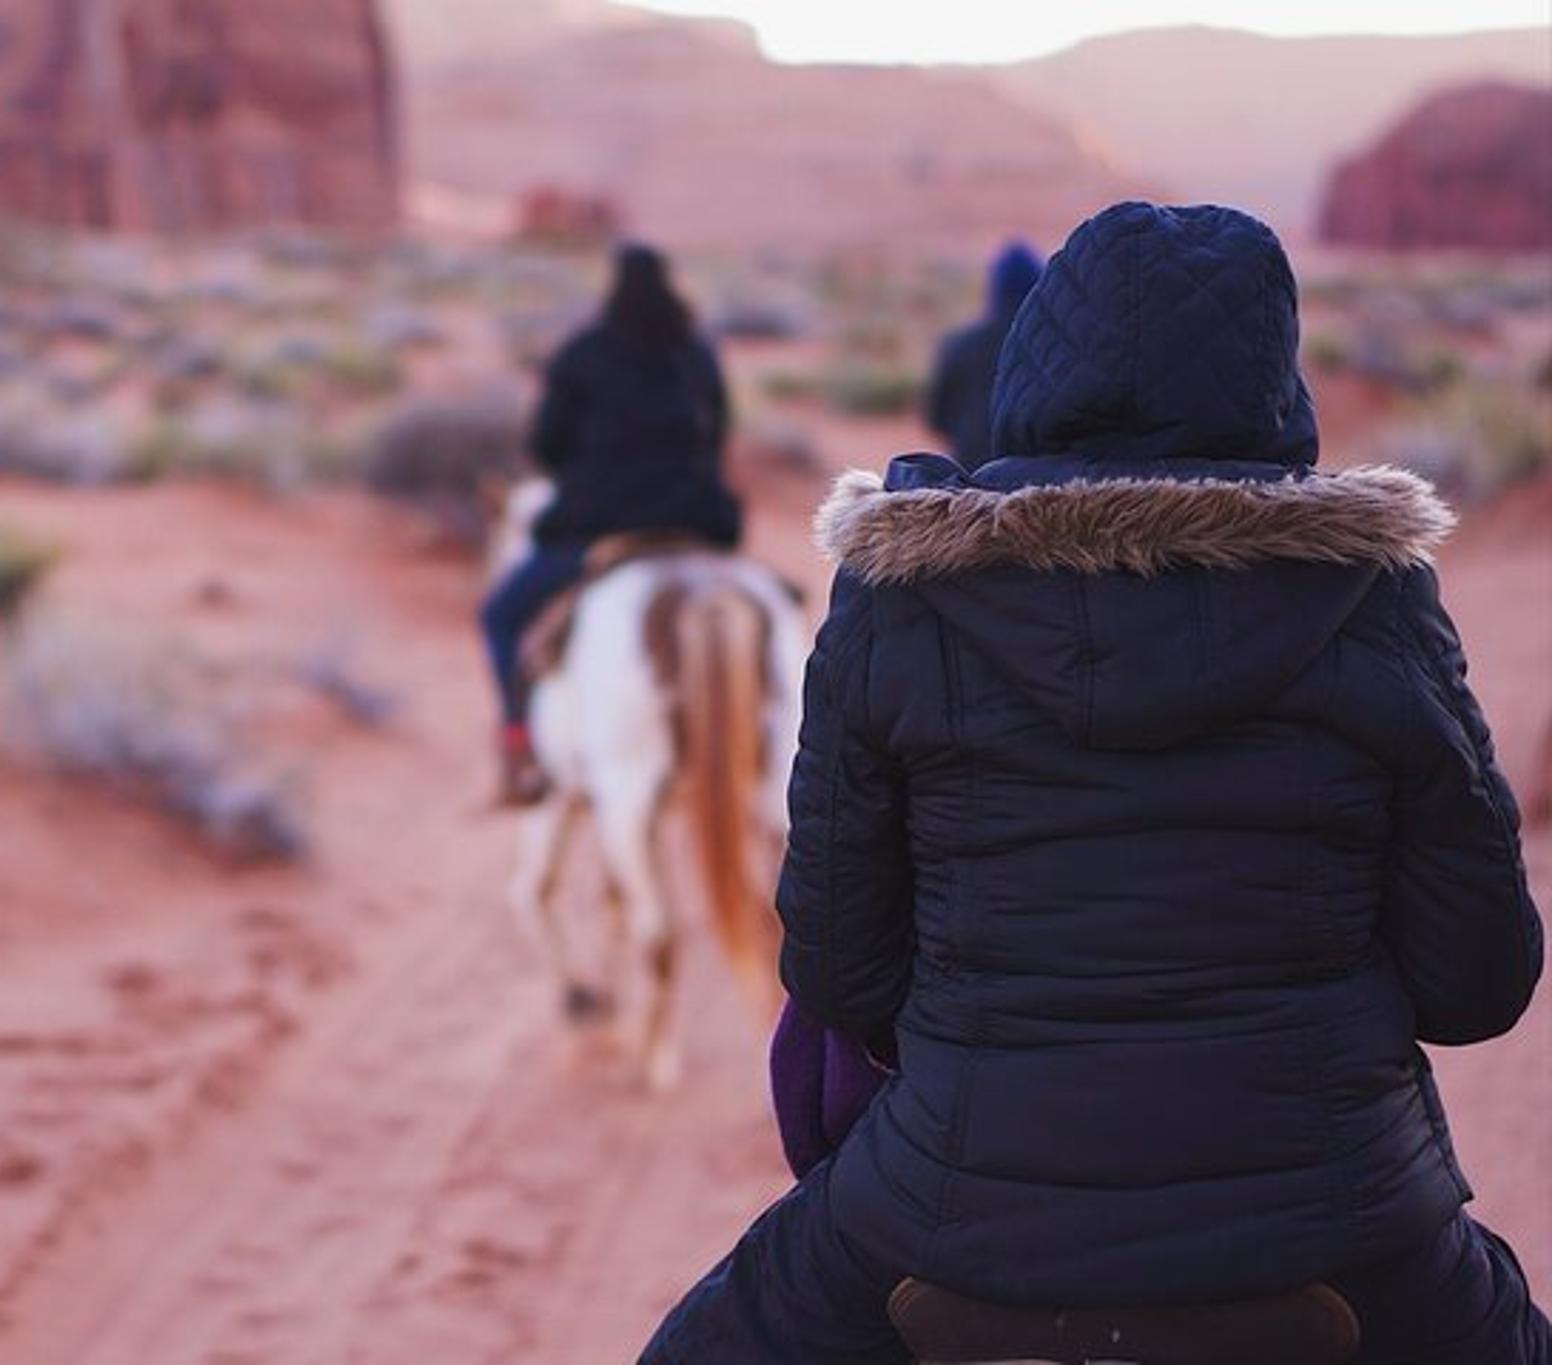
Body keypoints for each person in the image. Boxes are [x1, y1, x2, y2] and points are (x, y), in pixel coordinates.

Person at [642, 202, 1547, 1364]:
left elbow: (834, 968)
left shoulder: (899, 605)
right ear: (1272, 388)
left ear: (1030, 367)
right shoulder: (1374, 605)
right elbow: (1478, 985)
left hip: (949, 1214)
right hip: (1338, 1224)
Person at [481, 243, 742, 804]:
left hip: (599, 528)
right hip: (695, 524)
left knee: (500, 617)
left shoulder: (582, 354)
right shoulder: (695, 354)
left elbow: (547, 446)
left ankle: (519, 741)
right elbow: (718, 435)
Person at [923, 239, 1042, 472]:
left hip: (972, 478)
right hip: (1035, 482)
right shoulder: (1051, 347)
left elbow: (937, 418)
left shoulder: (960, 345)